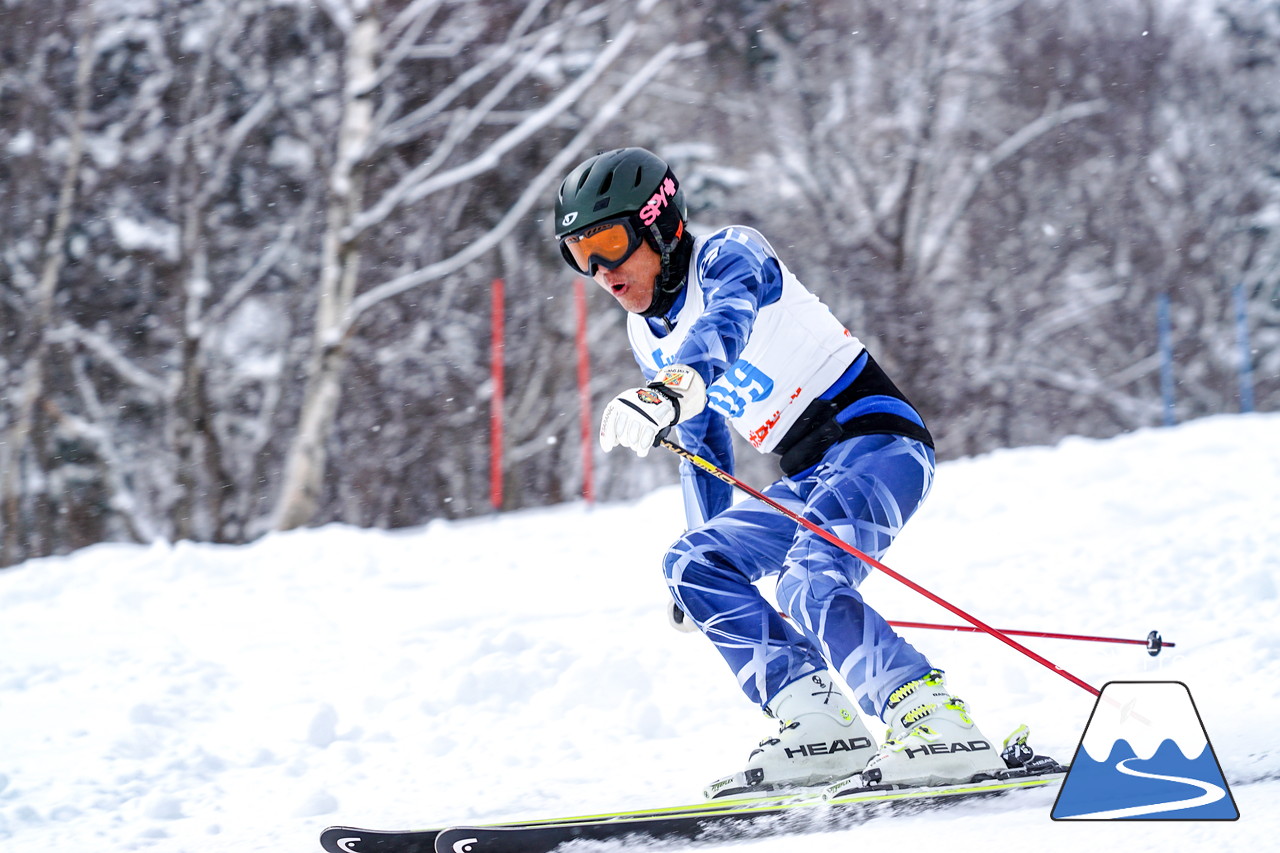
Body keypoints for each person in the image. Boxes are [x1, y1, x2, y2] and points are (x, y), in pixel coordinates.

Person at [553, 147, 1004, 796]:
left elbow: (724, 325)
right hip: (809, 471)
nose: (599, 271)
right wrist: (709, 565)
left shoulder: (730, 254)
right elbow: (703, 447)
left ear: (659, 223)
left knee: (809, 579)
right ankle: (819, 724)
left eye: (609, 243)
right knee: (692, 564)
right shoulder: (644, 331)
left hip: (877, 441)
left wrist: (676, 384)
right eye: (578, 253)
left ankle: (933, 721)